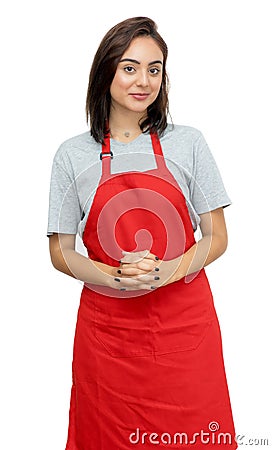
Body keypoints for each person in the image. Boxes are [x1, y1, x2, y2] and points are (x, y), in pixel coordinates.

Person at [48, 16, 237, 449]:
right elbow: (60, 251)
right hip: (109, 338)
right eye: (130, 67)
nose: (144, 80)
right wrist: (117, 277)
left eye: (155, 69)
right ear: (106, 71)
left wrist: (166, 271)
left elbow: (217, 236)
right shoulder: (72, 155)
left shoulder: (188, 142)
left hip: (185, 330)